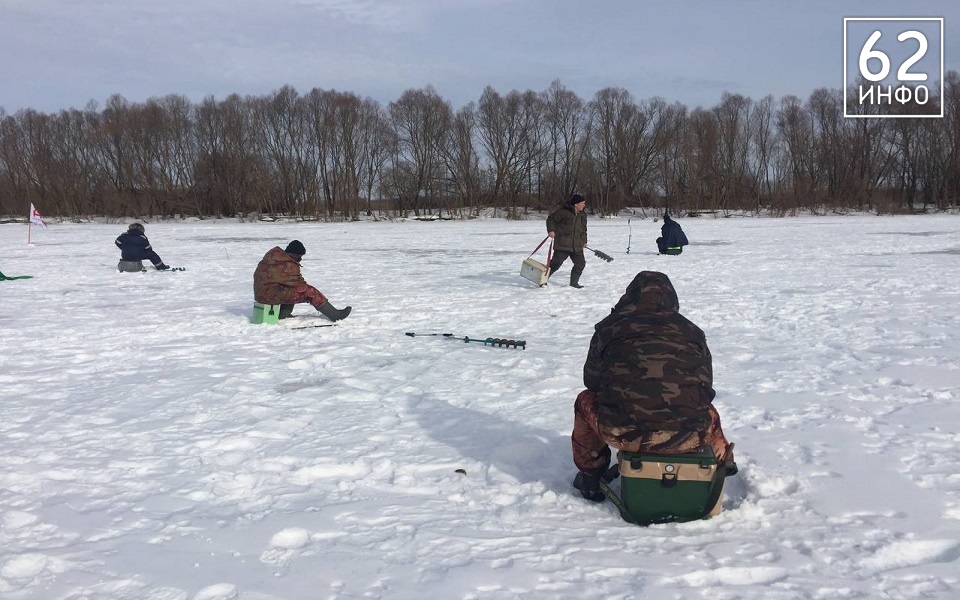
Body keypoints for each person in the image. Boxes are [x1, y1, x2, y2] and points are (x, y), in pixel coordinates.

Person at [571, 271, 734, 502]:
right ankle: (721, 464)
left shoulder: (609, 328)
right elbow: (705, 386)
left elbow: (592, 382)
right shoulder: (692, 331)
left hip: (624, 432)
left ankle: (591, 475)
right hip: (689, 434)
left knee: (584, 400)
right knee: (707, 409)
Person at [253, 240, 351, 321]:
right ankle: (335, 315)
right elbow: (299, 285)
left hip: (261, 294)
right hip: (269, 297)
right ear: (295, 255)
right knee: (309, 291)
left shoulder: (272, 259)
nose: (300, 259)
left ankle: (283, 314)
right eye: (300, 256)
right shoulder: (287, 265)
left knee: (288, 288)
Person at [546, 193, 588, 288]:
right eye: (582, 203)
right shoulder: (563, 212)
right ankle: (542, 280)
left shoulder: (583, 215)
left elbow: (584, 229)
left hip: (577, 245)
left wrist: (584, 241)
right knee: (555, 264)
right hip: (563, 244)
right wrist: (551, 230)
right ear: (576, 204)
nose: (584, 205)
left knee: (580, 264)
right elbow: (550, 219)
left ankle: (574, 283)